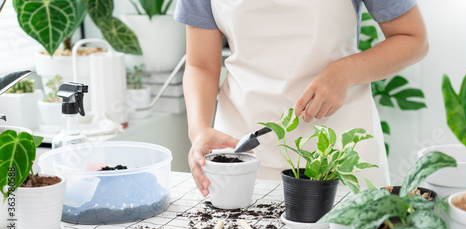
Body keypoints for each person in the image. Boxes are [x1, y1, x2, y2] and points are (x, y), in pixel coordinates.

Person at [174, 0, 428, 197]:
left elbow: (413, 39)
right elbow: (201, 64)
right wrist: (199, 130)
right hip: (242, 150)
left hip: (340, 152)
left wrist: (346, 71)